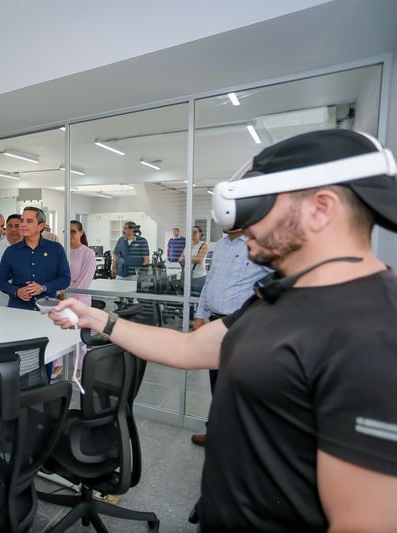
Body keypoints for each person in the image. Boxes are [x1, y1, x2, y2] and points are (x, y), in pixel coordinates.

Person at [48, 129, 397, 531]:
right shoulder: (277, 297)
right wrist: (97, 319)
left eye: (262, 205)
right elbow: (188, 348)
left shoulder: (374, 335)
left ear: (321, 209)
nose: (246, 224)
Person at [189, 228, 270, 447]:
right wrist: (199, 314)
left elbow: (279, 278)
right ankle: (216, 432)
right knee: (218, 383)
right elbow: (210, 281)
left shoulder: (258, 244)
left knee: (239, 384)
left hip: (242, 325)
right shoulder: (221, 245)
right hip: (216, 323)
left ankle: (244, 439)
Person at [0, 207, 70, 311]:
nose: (23, 224)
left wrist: (43, 287)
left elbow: (65, 280)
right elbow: (0, 281)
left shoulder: (56, 249)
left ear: (41, 226)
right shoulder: (11, 251)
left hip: (47, 310)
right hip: (18, 311)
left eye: (29, 221)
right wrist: (16, 291)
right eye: (22, 220)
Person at [51, 220, 96, 379]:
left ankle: (79, 366)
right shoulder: (62, 252)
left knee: (78, 334)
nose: (70, 235)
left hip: (80, 299)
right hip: (62, 297)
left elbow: (84, 280)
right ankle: (58, 364)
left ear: (81, 232)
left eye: (73, 231)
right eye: (67, 232)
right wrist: (59, 293)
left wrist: (70, 297)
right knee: (58, 331)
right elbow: (56, 276)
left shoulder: (88, 253)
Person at [179, 225, 209, 296]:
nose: (193, 234)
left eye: (195, 232)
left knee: (197, 300)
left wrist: (184, 258)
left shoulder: (204, 245)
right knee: (187, 301)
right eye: (191, 232)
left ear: (200, 233)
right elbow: (182, 262)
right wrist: (181, 261)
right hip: (187, 277)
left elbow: (199, 259)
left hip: (198, 278)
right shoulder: (187, 246)